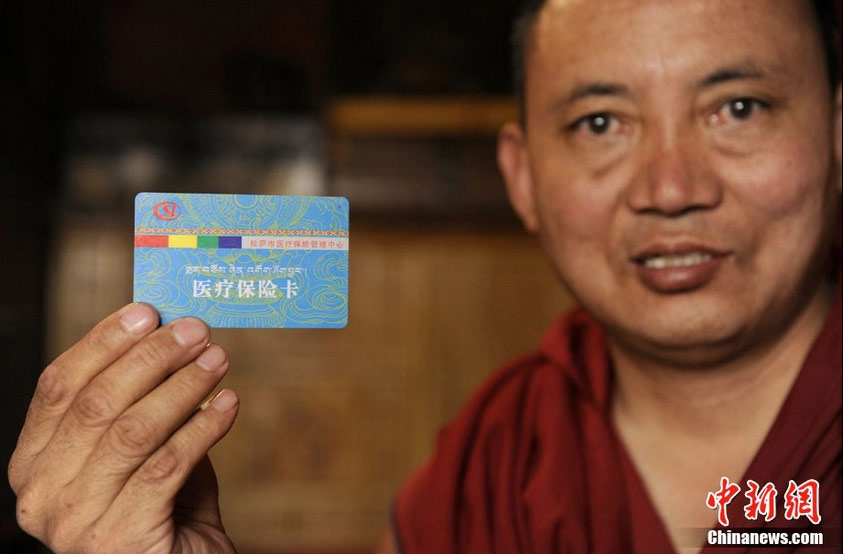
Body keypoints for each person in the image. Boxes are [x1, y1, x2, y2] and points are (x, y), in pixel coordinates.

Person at [8, 0, 841, 553]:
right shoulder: (497, 457)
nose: (671, 188)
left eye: (738, 108)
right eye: (599, 122)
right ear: (522, 179)